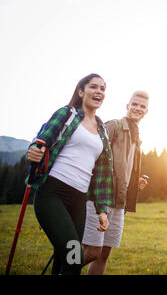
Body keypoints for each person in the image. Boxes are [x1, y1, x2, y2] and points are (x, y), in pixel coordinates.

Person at [27, 73, 113, 275]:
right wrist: (34, 151)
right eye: (94, 87)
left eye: (102, 88)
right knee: (74, 257)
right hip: (52, 194)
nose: (99, 91)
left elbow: (102, 176)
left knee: (63, 259)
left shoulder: (102, 130)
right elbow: (42, 141)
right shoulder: (67, 114)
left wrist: (102, 210)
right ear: (81, 91)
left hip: (78, 200)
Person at [82, 91, 149, 275]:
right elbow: (93, 155)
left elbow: (122, 168)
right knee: (90, 251)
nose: (138, 108)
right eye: (134, 104)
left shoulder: (136, 136)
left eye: (142, 106)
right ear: (127, 105)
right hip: (99, 199)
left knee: (103, 254)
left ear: (146, 111)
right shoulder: (113, 126)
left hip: (118, 203)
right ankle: (63, 267)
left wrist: (134, 183)